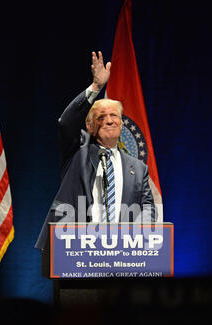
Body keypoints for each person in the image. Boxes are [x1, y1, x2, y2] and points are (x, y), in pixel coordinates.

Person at [35, 51, 156, 251]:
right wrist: (96, 87)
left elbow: (148, 208)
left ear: (121, 123)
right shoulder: (77, 154)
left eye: (114, 115)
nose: (109, 120)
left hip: (123, 253)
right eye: (101, 116)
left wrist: (142, 237)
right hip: (75, 249)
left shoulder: (138, 168)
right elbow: (66, 123)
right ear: (90, 126)